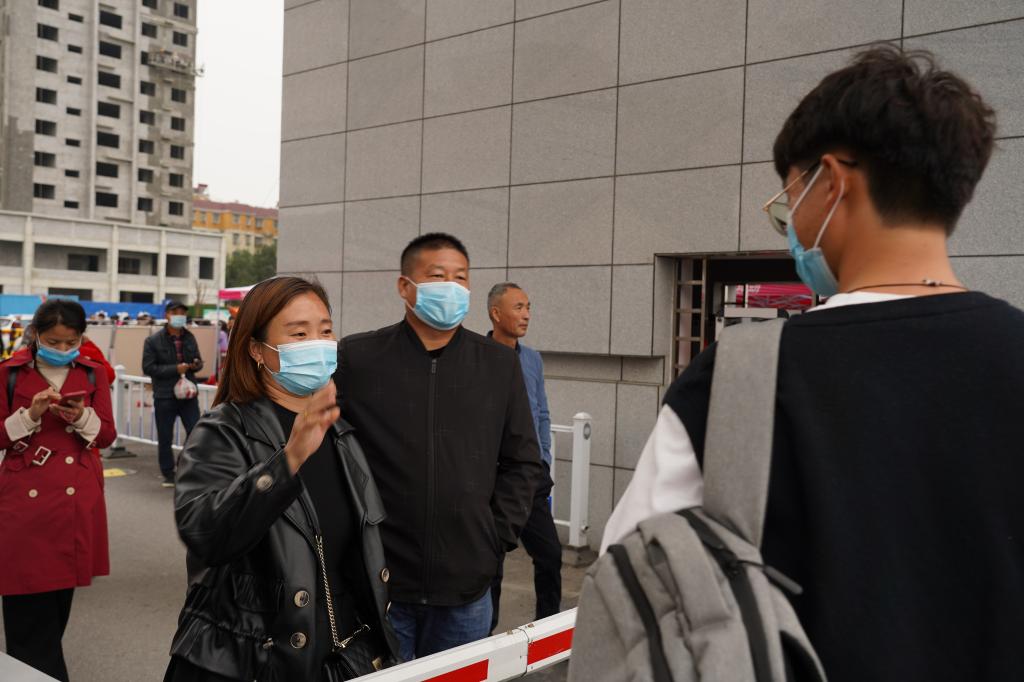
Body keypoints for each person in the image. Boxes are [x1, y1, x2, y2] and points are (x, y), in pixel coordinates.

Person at [602, 46, 1023, 681]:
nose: (788, 220)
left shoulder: (740, 379)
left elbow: (630, 586)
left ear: (831, 182)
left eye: (789, 195)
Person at [164, 276, 399, 682]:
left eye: (325, 331)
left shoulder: (339, 432)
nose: (317, 344)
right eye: (299, 334)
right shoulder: (223, 430)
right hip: (249, 661)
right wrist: (289, 459)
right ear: (257, 349)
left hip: (339, 655)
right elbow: (206, 535)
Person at [335, 233, 544, 661]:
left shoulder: (498, 364)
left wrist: (495, 539)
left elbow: (523, 461)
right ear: (405, 286)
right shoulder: (359, 358)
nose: (451, 286)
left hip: (467, 586)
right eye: (437, 276)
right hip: (379, 582)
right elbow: (327, 451)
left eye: (460, 277)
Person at [0, 299, 116, 681]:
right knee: (28, 621)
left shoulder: (94, 373)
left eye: (71, 342)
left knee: (54, 616)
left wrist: (81, 416)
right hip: (23, 503)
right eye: (54, 342)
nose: (63, 349)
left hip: (75, 499)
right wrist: (29, 415)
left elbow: (107, 435)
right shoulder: (9, 373)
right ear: (35, 335)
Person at [486, 283, 561, 632]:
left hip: (530, 476)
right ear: (495, 313)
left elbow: (542, 412)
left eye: (528, 307)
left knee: (550, 555)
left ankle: (548, 630)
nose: (527, 314)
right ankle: (484, 639)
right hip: (491, 478)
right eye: (518, 307)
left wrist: (543, 459)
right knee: (491, 564)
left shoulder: (532, 359)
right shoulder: (477, 356)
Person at [142, 301, 203, 487]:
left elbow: (199, 361)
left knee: (196, 432)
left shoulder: (189, 337)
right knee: (165, 436)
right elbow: (148, 367)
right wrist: (175, 369)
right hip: (165, 394)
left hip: (188, 394)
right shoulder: (153, 340)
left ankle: (184, 466)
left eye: (182, 313)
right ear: (167, 315)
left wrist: (196, 364)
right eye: (175, 312)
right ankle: (168, 473)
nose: (179, 316)